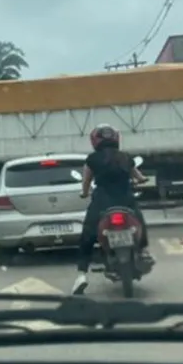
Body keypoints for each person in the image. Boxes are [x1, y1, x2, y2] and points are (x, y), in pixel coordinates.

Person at [71, 124, 150, 296]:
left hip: (102, 201)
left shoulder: (92, 159)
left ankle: (82, 274)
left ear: (95, 141)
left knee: (88, 233)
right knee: (139, 221)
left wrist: (84, 193)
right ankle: (143, 251)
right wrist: (142, 180)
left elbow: (86, 182)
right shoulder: (125, 157)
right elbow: (138, 176)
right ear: (116, 138)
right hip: (125, 200)